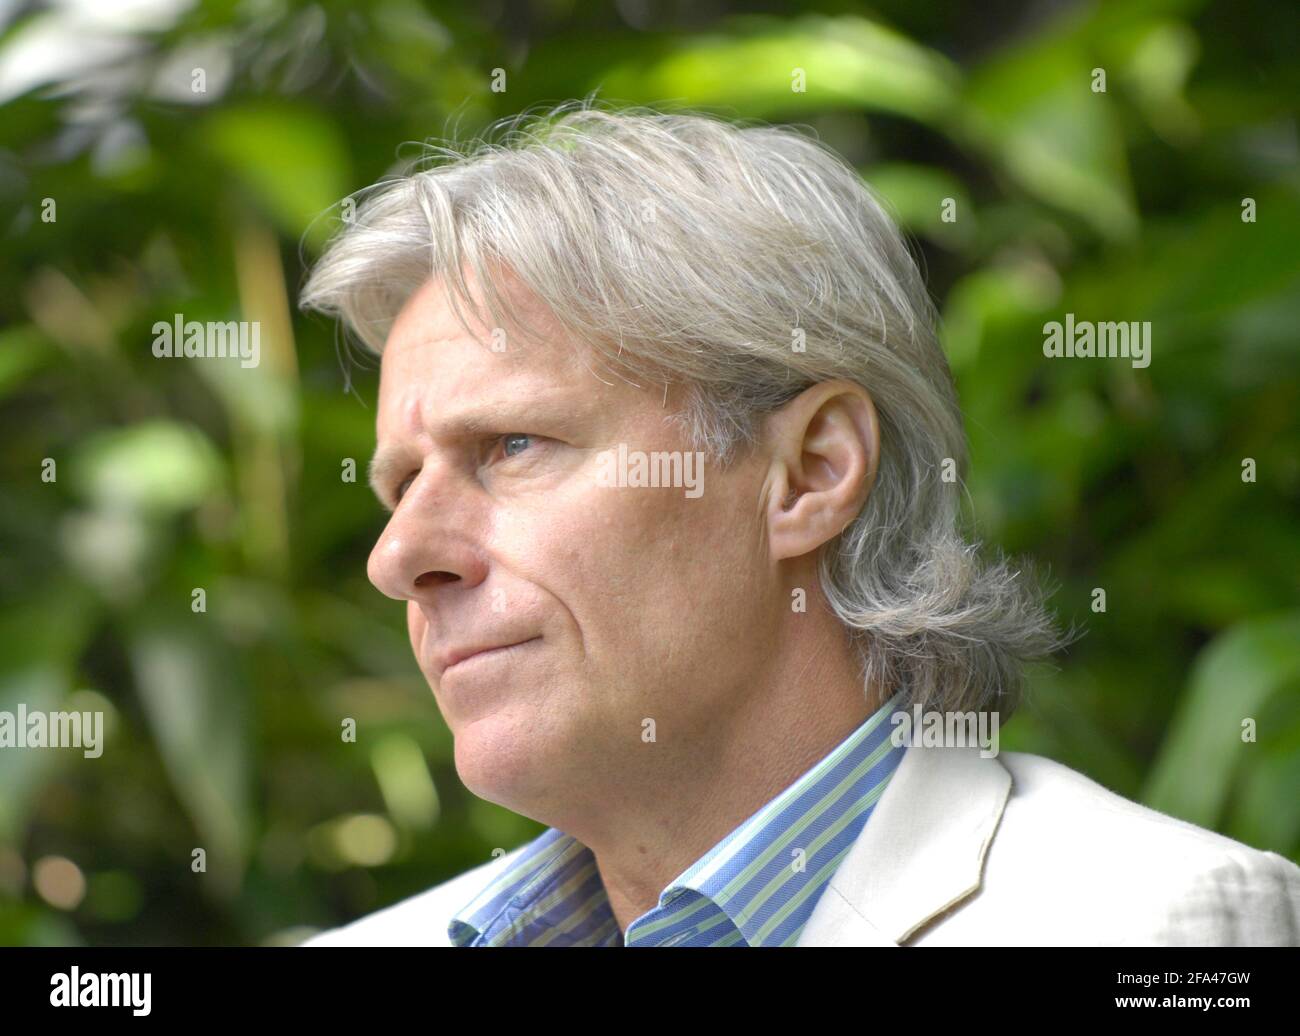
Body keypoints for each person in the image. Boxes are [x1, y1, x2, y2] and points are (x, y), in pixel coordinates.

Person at [297, 103, 1299, 946]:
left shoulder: (1159, 926)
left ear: (810, 472)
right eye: (400, 485)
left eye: (512, 445)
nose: (400, 557)